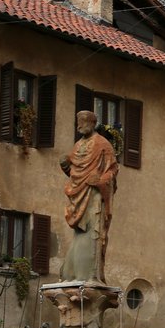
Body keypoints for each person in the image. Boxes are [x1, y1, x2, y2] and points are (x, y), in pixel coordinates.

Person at [60, 110, 119, 283]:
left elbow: (113, 170)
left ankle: (90, 275)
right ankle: (73, 274)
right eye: (77, 121)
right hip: (79, 195)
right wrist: (64, 165)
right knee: (80, 234)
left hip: (94, 195)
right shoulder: (77, 145)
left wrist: (100, 180)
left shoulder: (103, 144)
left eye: (83, 121)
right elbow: (74, 172)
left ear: (92, 123)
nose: (79, 125)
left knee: (93, 230)